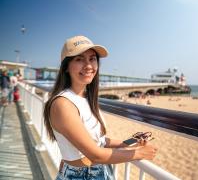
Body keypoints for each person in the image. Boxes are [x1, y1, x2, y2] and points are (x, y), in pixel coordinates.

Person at [43, 35, 157, 180]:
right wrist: (140, 153)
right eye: (79, 59)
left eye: (92, 58)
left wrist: (128, 142)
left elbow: (98, 140)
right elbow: (95, 154)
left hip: (98, 171)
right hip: (81, 175)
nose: (89, 65)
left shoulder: (86, 99)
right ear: (66, 67)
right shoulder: (63, 104)